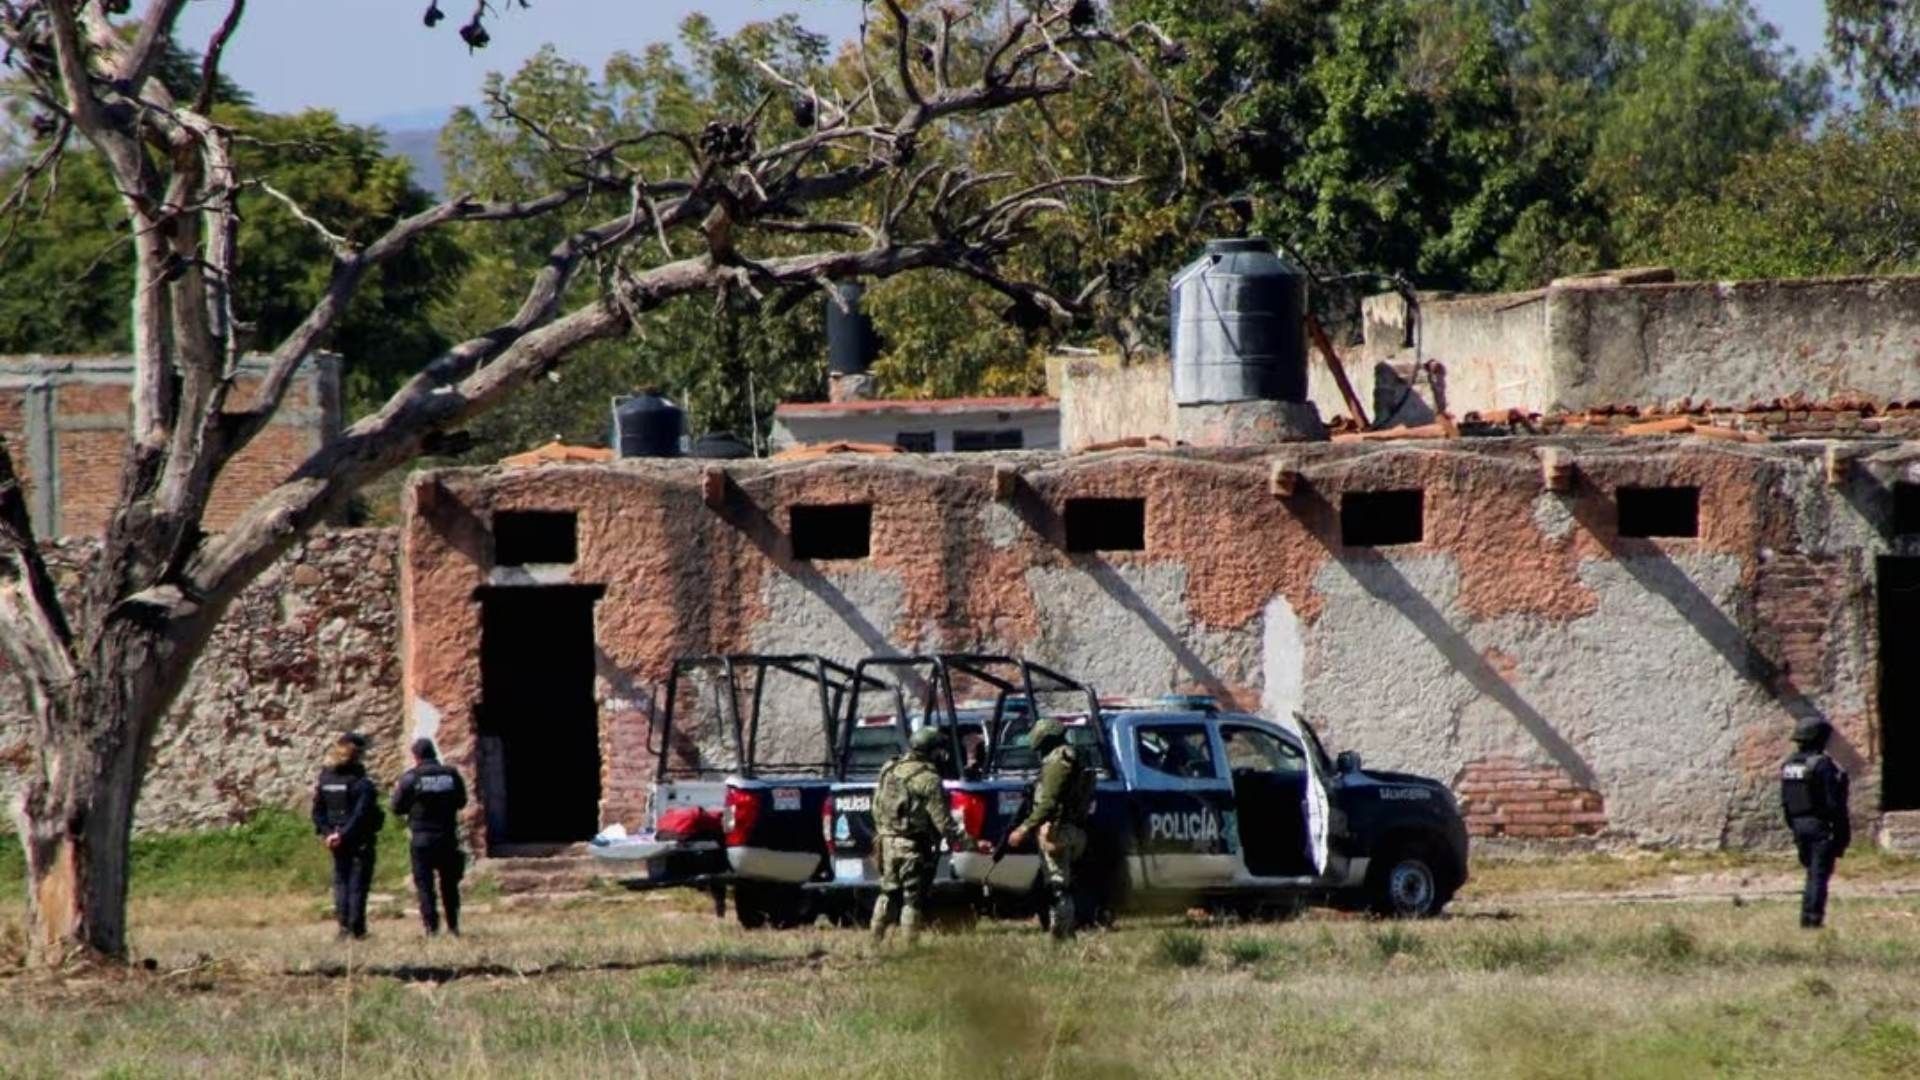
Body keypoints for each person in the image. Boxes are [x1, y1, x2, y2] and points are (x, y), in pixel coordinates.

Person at [870, 727, 973, 945]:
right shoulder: (929, 779)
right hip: (912, 845)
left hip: (886, 841)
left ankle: (874, 942)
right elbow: (943, 823)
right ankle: (910, 946)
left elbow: (876, 803)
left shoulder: (889, 768)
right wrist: (968, 842)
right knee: (911, 898)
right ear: (933, 752)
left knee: (887, 892)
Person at [1007, 718, 1097, 939]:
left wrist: (1024, 829)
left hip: (1057, 830)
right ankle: (1065, 928)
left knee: (1057, 885)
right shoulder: (1071, 756)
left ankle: (1062, 935)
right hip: (1071, 828)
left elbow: (1049, 802)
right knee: (1057, 882)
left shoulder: (1058, 762)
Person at [391, 737, 469, 937]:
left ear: (416, 756)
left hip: (422, 838)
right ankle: (453, 926)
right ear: (434, 753)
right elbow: (462, 801)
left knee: (425, 885)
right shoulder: (450, 774)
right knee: (449, 884)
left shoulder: (411, 777)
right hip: (447, 836)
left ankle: (431, 928)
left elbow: (397, 807)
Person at [311, 732, 383, 940]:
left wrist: (329, 834)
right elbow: (361, 814)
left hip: (335, 838)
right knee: (358, 883)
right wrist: (344, 834)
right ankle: (357, 929)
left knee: (341, 882)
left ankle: (343, 927)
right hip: (357, 839)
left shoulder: (326, 779)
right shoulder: (361, 783)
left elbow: (317, 812)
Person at [1781, 716, 1850, 929]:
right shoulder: (1822, 765)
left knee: (1811, 872)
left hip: (1799, 824)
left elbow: (1785, 801)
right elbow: (1833, 804)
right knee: (1818, 875)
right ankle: (1811, 920)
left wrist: (1794, 825)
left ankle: (1808, 917)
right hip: (1819, 825)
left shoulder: (1789, 765)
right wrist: (1840, 831)